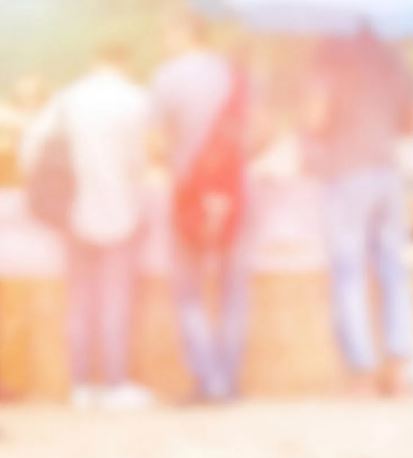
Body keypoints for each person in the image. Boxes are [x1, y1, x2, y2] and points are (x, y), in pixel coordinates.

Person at [21, 42, 152, 408]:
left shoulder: (67, 99)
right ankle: (115, 382)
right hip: (122, 208)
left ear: (94, 60)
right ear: (124, 61)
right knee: (116, 299)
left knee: (79, 300)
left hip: (74, 212)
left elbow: (32, 144)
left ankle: (80, 384)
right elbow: (141, 159)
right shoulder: (136, 100)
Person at [307, 26, 413, 396]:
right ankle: (399, 367)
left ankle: (362, 372)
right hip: (386, 172)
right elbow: (412, 123)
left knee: (349, 272)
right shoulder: (394, 61)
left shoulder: (332, 62)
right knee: (393, 271)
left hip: (347, 172)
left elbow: (315, 119)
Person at [151, 14, 256, 402]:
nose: (163, 40)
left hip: (188, 195)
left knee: (189, 292)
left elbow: (156, 143)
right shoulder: (235, 74)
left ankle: (207, 381)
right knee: (234, 290)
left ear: (183, 30)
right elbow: (257, 134)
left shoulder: (167, 77)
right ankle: (229, 380)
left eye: (166, 31)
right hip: (235, 192)